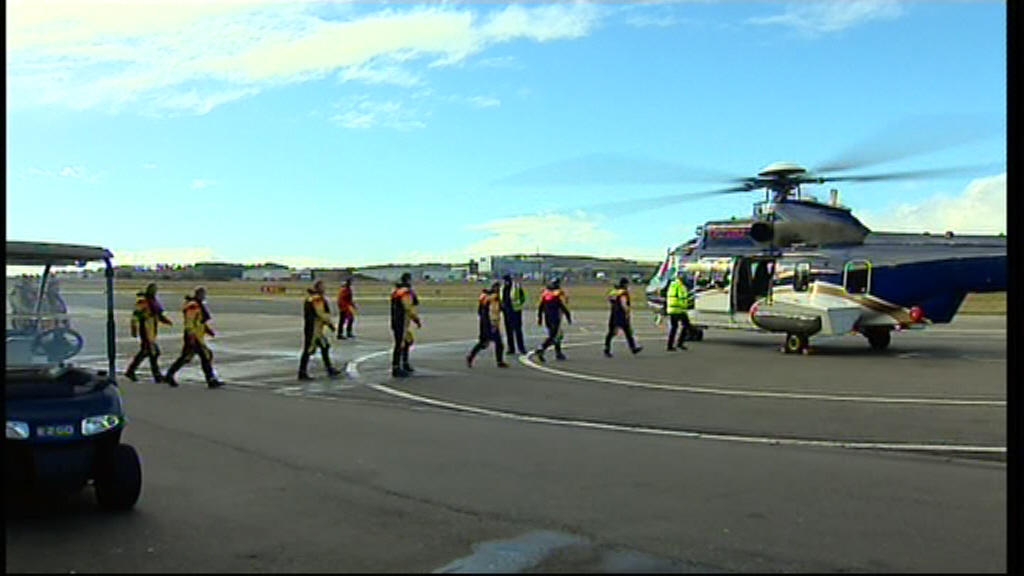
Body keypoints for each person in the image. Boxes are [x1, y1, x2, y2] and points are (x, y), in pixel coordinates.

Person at [164, 286, 224, 389]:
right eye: (202, 294)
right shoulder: (193, 306)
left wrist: (207, 329)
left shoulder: (199, 305)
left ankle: (170, 374)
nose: (204, 296)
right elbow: (190, 321)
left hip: (197, 335)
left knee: (187, 357)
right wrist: (190, 334)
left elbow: (200, 321)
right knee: (204, 356)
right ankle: (210, 379)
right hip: (193, 335)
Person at [125, 282, 173, 382]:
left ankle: (132, 371)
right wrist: (134, 328)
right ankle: (155, 375)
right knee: (152, 352)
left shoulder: (153, 301)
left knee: (148, 352)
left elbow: (158, 315)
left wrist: (166, 321)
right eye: (153, 289)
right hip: (145, 330)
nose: (155, 291)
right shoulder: (143, 301)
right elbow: (135, 316)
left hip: (152, 330)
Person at [299, 279, 340, 380]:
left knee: (324, 346)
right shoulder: (317, 299)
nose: (325, 288)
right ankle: (302, 372)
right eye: (323, 287)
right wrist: (330, 324)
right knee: (309, 349)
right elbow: (321, 313)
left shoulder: (311, 298)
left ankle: (329, 368)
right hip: (314, 328)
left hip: (314, 327)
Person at [467, 282, 509, 368]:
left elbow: (480, 311)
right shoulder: (494, 298)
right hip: (490, 323)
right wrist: (494, 324)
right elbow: (493, 312)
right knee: (498, 343)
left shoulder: (484, 297)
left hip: (484, 322)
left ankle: (471, 356)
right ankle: (499, 361)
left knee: (483, 342)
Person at [389, 272, 421, 378]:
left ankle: (404, 363)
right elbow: (408, 307)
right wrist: (416, 319)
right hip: (401, 321)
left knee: (407, 341)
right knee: (400, 344)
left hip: (398, 320)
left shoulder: (396, 291)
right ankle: (396, 367)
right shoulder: (404, 293)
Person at [534, 277, 571, 363]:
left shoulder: (545, 294)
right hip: (555, 317)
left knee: (556, 335)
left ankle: (558, 353)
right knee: (554, 336)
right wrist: (568, 316)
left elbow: (541, 306)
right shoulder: (557, 295)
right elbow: (562, 305)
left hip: (547, 317)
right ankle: (542, 348)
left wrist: (539, 317)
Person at [603, 277, 642, 357]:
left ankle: (607, 348)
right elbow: (623, 303)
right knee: (627, 332)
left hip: (613, 313)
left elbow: (610, 299)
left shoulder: (614, 291)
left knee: (611, 332)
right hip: (621, 314)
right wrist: (627, 312)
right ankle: (633, 348)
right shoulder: (623, 292)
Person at [666, 270, 695, 351]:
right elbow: (680, 297)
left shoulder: (675, 284)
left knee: (675, 327)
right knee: (685, 325)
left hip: (674, 309)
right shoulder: (679, 286)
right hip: (678, 309)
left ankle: (671, 345)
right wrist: (686, 305)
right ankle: (679, 343)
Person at [501, 273, 527, 356]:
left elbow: (523, 297)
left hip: (516, 311)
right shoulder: (502, 288)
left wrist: (519, 305)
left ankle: (521, 348)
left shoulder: (516, 288)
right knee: (509, 331)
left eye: (506, 281)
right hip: (506, 312)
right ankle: (511, 348)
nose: (505, 282)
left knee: (518, 330)